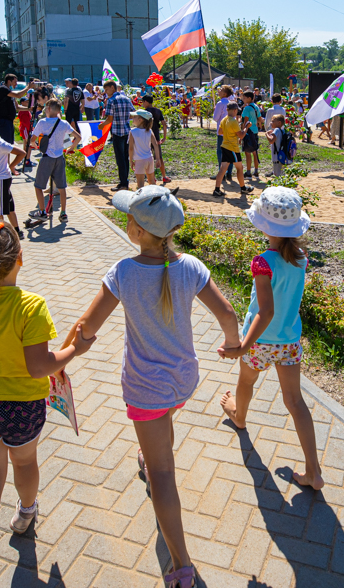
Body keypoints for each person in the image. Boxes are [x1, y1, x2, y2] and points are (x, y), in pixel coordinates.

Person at [75, 187, 241, 588]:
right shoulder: (191, 267)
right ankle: (150, 457)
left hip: (145, 386)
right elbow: (228, 313)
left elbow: (87, 328)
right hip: (183, 380)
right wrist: (233, 345)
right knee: (163, 424)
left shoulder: (124, 273)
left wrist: (62, 358)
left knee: (163, 476)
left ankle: (181, 565)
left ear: (135, 230)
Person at [0, 218, 95, 588]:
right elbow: (38, 367)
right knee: (24, 461)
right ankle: (27, 512)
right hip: (22, 406)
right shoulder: (31, 306)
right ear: (20, 259)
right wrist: (74, 349)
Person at [218, 187, 322, 490]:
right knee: (295, 401)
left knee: (246, 382)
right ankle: (313, 472)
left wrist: (241, 348)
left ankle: (239, 417)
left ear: (263, 224)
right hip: (289, 340)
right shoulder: (301, 258)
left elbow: (265, 311)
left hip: (261, 343)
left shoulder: (262, 261)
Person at [28, 99, 80, 224]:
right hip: (59, 157)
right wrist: (70, 148)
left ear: (50, 109)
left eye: (46, 108)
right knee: (62, 187)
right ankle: (63, 213)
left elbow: (32, 139)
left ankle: (42, 211)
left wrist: (35, 145)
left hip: (47, 158)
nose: (45, 110)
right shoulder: (63, 123)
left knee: (38, 186)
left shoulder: (42, 122)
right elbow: (78, 137)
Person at [213, 102, 252, 198]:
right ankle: (243, 188)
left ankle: (217, 190)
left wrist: (230, 131)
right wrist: (246, 126)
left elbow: (220, 131)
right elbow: (242, 135)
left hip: (225, 146)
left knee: (222, 169)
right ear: (235, 110)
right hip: (232, 148)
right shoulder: (233, 121)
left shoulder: (224, 119)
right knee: (239, 168)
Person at [103, 80, 135, 191]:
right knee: (126, 158)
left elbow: (109, 119)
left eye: (107, 89)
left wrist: (102, 125)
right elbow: (133, 114)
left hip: (117, 132)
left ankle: (123, 183)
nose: (106, 92)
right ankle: (125, 182)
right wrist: (124, 117)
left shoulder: (111, 101)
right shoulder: (126, 99)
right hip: (127, 132)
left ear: (112, 87)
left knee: (120, 159)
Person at [129, 109, 164, 190]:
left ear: (140, 120)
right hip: (149, 158)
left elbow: (131, 148)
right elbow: (155, 145)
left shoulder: (133, 132)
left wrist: (130, 160)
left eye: (134, 117)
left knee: (140, 185)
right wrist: (158, 158)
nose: (132, 118)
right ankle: (155, 197)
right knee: (152, 181)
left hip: (139, 160)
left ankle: (142, 201)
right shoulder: (149, 130)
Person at [140, 94, 171, 184]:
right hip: (156, 137)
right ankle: (164, 176)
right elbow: (164, 124)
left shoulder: (144, 112)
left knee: (147, 158)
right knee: (159, 157)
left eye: (143, 102)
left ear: (146, 102)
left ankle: (151, 177)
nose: (142, 104)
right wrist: (164, 137)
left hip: (147, 137)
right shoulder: (158, 111)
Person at [0, 73, 30, 146]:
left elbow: (17, 107)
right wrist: (28, 87)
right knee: (5, 144)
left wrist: (29, 109)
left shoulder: (9, 91)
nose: (16, 84)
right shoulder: (3, 89)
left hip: (9, 121)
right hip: (3, 121)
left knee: (9, 144)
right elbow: (18, 95)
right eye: (15, 82)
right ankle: (4, 157)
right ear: (9, 81)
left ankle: (7, 157)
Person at [264, 111, 290, 177]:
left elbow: (271, 141)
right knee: (282, 174)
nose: (271, 123)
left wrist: (267, 134)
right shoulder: (282, 130)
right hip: (282, 155)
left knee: (277, 175)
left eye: (273, 121)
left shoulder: (276, 130)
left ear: (279, 123)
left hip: (276, 157)